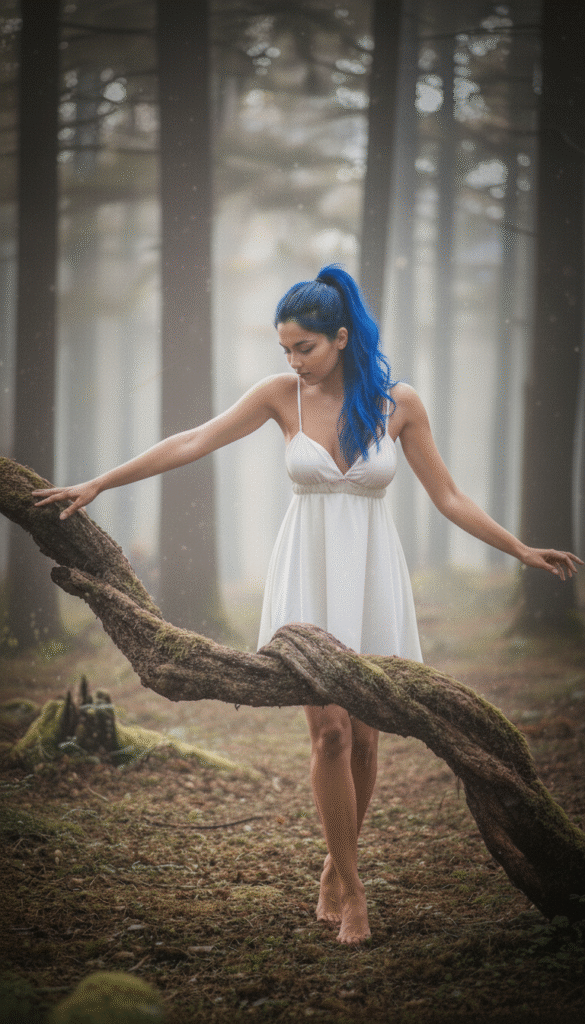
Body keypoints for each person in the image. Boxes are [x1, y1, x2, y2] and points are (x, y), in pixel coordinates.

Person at [33, 265, 582, 945]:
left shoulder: (397, 402)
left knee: (369, 732)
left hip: (373, 575)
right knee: (329, 732)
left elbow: (449, 497)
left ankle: (334, 861)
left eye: (305, 348)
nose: (294, 361)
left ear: (341, 338)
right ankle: (351, 889)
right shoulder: (278, 396)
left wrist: (519, 549)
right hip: (305, 577)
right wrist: (99, 482)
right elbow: (191, 441)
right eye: (284, 349)